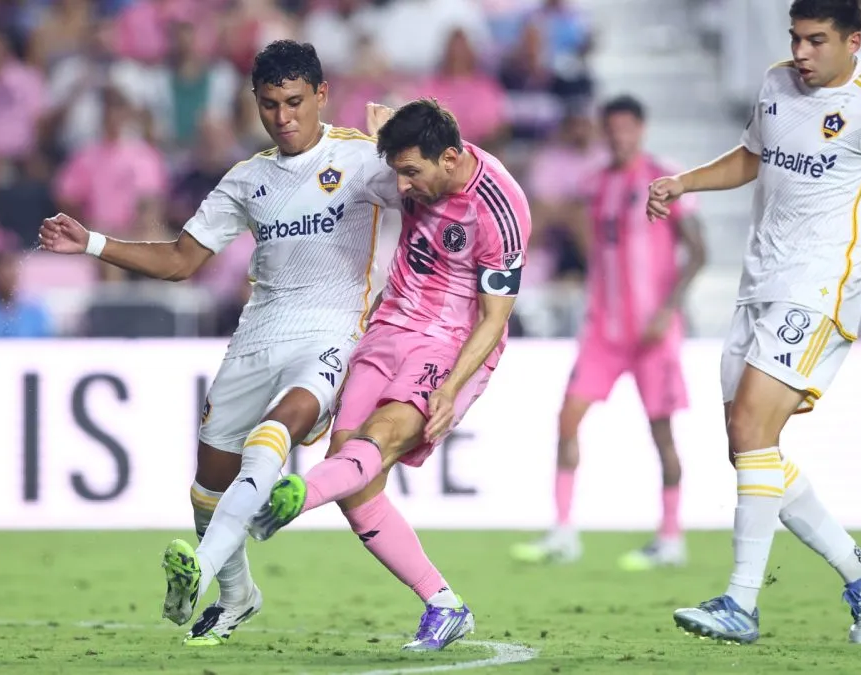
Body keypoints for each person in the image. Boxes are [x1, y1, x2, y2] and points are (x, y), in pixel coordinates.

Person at [38, 39, 398, 647]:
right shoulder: (247, 179)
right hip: (258, 334)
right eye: (268, 106)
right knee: (209, 481)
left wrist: (408, 133)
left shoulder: (364, 160)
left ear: (321, 95)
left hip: (333, 334)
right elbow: (182, 260)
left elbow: (438, 189)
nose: (282, 118)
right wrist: (93, 243)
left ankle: (199, 571)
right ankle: (237, 595)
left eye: (293, 102)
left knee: (277, 434)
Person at [646, 0, 861, 645]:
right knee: (747, 447)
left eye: (815, 41)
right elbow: (754, 156)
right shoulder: (778, 83)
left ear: (853, 41)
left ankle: (741, 604)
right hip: (758, 286)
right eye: (795, 39)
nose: (801, 53)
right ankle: (860, 570)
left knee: (751, 428)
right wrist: (684, 182)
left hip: (818, 291)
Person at [246, 98, 533, 651]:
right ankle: (444, 604)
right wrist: (384, 129)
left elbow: (496, 316)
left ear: (450, 159)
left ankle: (286, 500)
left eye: (411, 173)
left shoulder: (500, 207)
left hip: (451, 344)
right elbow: (390, 121)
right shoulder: (423, 161)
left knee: (376, 443)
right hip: (390, 325)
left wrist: (451, 388)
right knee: (353, 479)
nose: (400, 187)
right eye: (397, 171)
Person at [510, 94, 707, 569]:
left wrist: (668, 309)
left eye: (627, 128)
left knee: (661, 433)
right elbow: (578, 232)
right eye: (612, 129)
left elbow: (699, 252)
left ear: (640, 129)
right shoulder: (594, 184)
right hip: (604, 332)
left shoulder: (665, 178)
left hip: (654, 333)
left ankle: (671, 536)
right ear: (604, 133)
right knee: (567, 418)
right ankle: (562, 532)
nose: (619, 137)